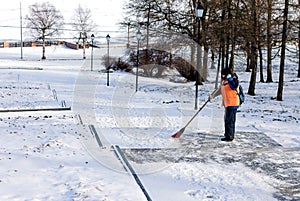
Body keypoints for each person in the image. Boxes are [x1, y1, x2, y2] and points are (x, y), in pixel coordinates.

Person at [210, 68, 240, 141]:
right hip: (228, 103)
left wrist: (232, 79)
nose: (222, 75)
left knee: (230, 120)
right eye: (222, 74)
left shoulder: (232, 80)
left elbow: (235, 86)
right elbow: (220, 90)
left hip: (233, 103)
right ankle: (227, 134)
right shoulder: (225, 82)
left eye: (224, 74)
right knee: (227, 120)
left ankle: (230, 136)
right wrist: (212, 95)